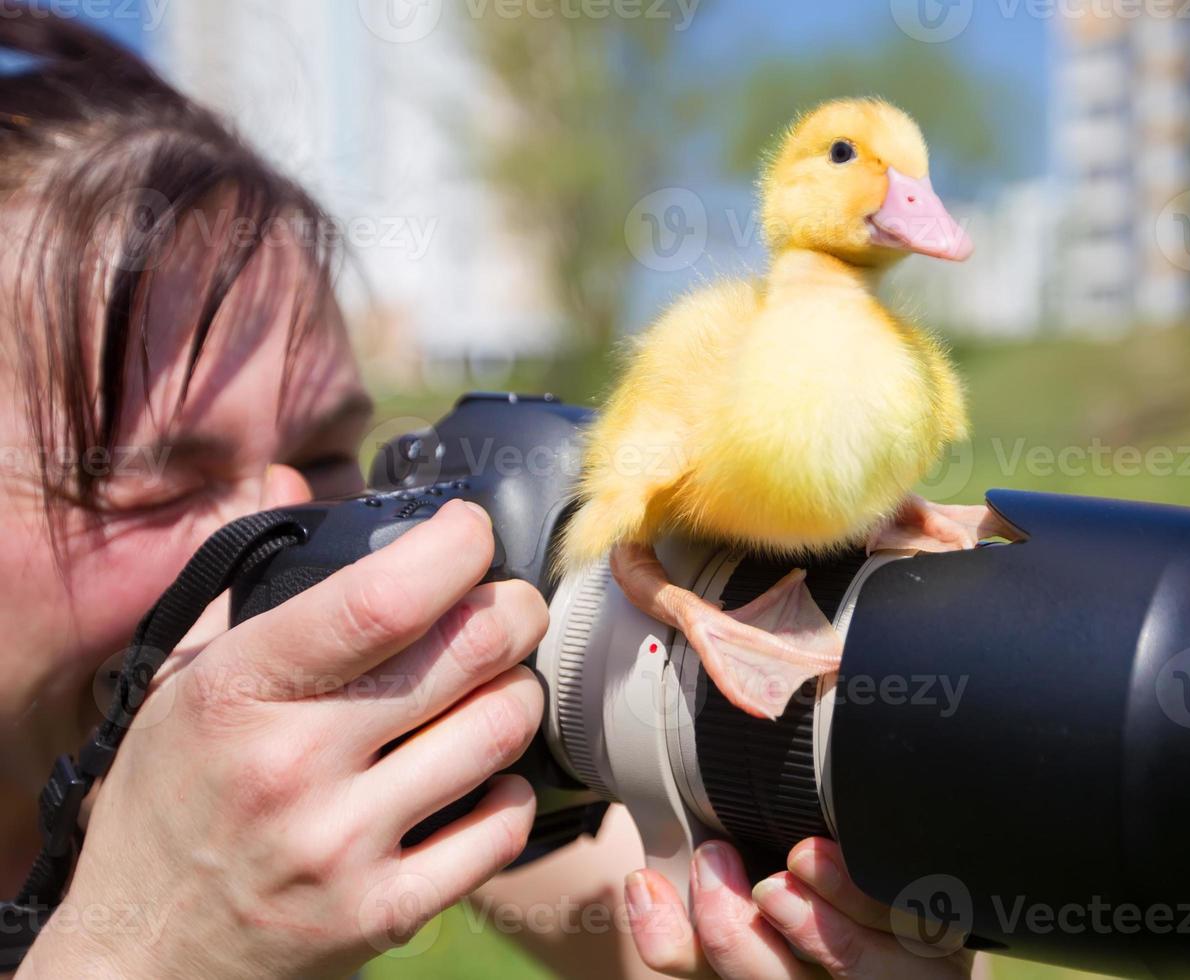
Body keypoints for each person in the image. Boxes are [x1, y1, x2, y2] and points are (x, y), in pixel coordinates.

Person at [0, 11, 980, 978]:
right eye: (153, 477)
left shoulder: (441, 763)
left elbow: (645, 935)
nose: (276, 522)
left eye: (334, 454)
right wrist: (143, 946)